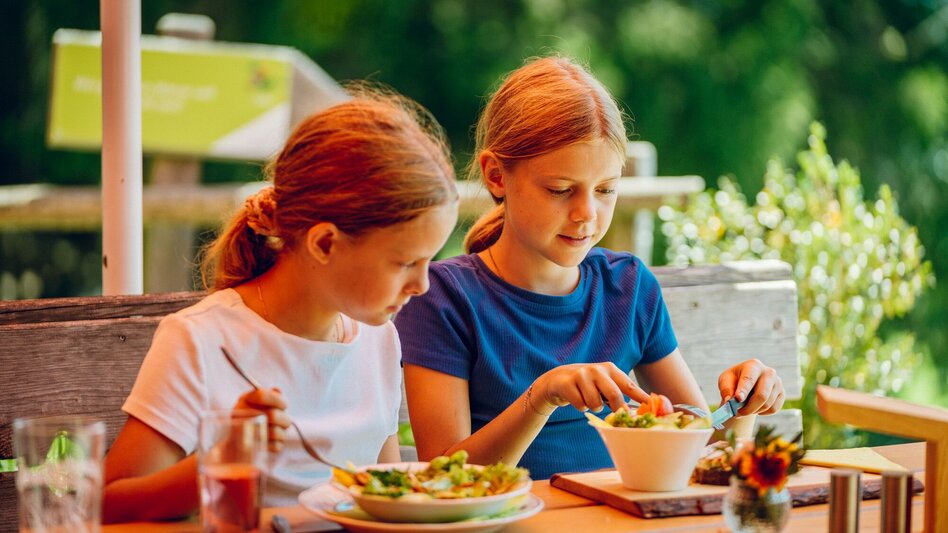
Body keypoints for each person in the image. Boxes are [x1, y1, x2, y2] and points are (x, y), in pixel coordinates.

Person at [394, 56, 785, 481]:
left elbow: (701, 450)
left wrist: (744, 407)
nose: (586, 213)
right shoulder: (445, 300)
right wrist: (542, 396)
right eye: (561, 190)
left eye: (605, 190)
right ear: (495, 176)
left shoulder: (629, 288)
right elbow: (444, 479)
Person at [102, 91, 459, 522]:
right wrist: (224, 457)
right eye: (405, 263)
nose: (422, 285)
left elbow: (379, 495)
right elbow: (107, 505)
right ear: (325, 242)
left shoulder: (379, 338)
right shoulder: (200, 340)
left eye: (429, 261)